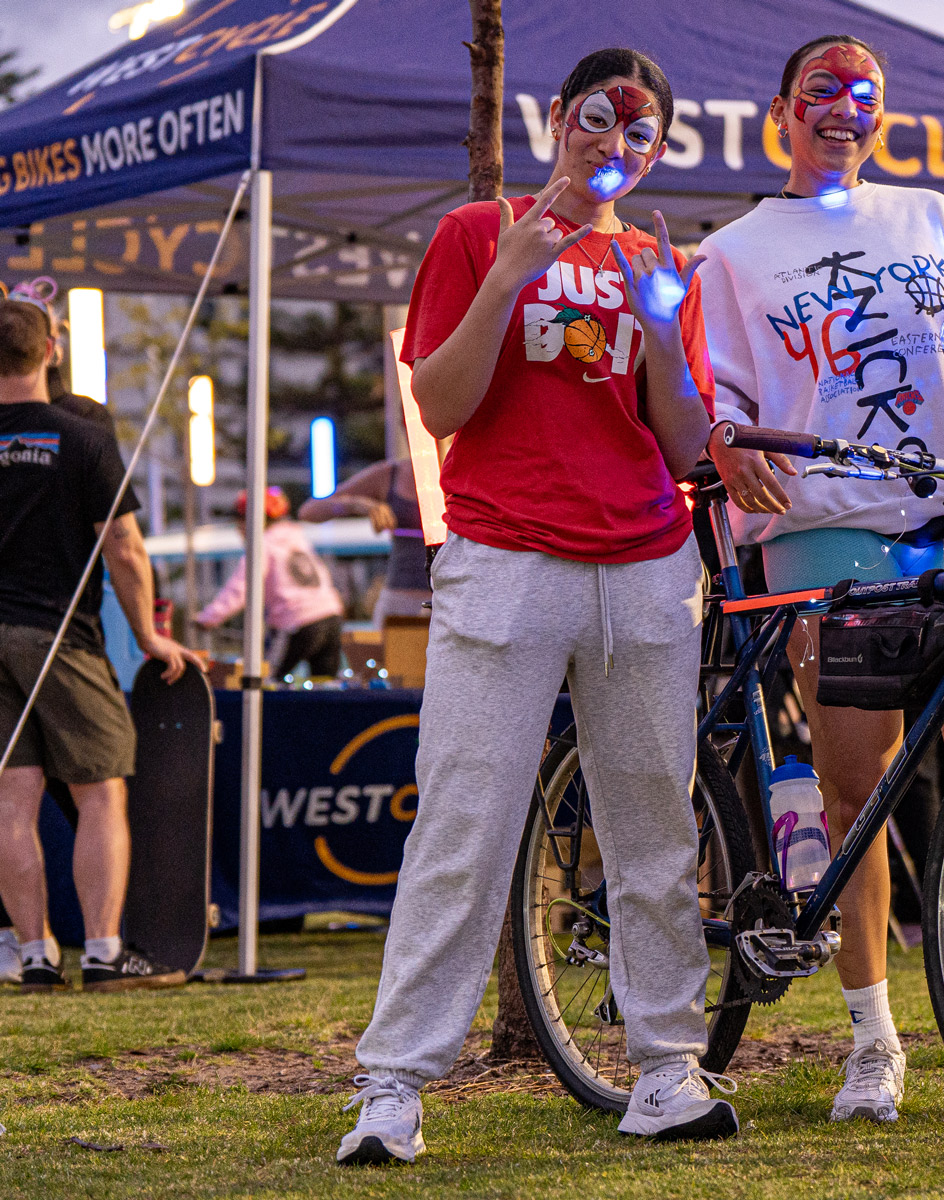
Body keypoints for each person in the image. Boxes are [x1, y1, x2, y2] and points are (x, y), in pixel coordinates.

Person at [336, 47, 728, 1166]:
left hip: (648, 562)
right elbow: (440, 401)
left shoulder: (659, 259)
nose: (615, 143)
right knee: (465, 823)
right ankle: (395, 1084)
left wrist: (664, 332)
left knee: (654, 824)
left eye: (640, 131)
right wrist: (511, 272)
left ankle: (665, 1069)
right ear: (554, 117)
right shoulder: (476, 233)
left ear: (657, 148)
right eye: (598, 118)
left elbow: (682, 441)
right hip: (506, 558)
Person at [697, 33, 944, 1125]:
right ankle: (874, 1041)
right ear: (781, 111)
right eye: (823, 91)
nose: (845, 108)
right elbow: (711, 397)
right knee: (855, 794)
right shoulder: (731, 253)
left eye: (864, 94)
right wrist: (729, 438)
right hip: (824, 538)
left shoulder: (932, 220)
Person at [0, 296, 203, 993]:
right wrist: (148, 634)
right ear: (51, 350)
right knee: (101, 793)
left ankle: (32, 957)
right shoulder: (80, 436)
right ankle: (105, 953)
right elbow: (123, 544)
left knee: (11, 801)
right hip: (60, 635)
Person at [194, 487, 346, 681]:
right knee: (324, 684)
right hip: (330, 615)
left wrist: (209, 618)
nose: (238, 528)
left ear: (255, 520)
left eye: (240, 520)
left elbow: (241, 589)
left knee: (266, 680)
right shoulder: (296, 538)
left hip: (296, 621)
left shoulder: (262, 545)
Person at [300, 459, 432, 624]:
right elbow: (308, 511)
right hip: (399, 601)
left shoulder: (462, 468)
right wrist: (354, 505)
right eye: (406, 430)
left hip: (450, 600)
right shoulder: (391, 473)